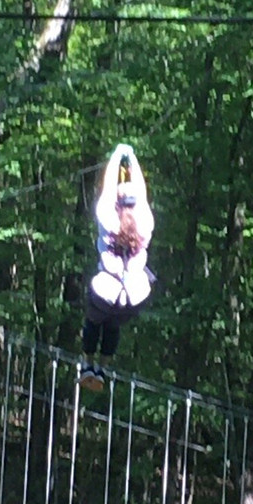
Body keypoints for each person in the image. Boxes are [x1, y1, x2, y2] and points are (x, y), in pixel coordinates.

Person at [80, 143, 155, 391]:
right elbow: (142, 193)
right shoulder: (144, 223)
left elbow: (108, 188)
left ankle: (88, 365)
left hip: (107, 290)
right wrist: (132, 158)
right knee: (112, 325)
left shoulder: (109, 219)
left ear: (118, 203)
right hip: (133, 295)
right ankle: (102, 369)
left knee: (94, 322)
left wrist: (116, 157)